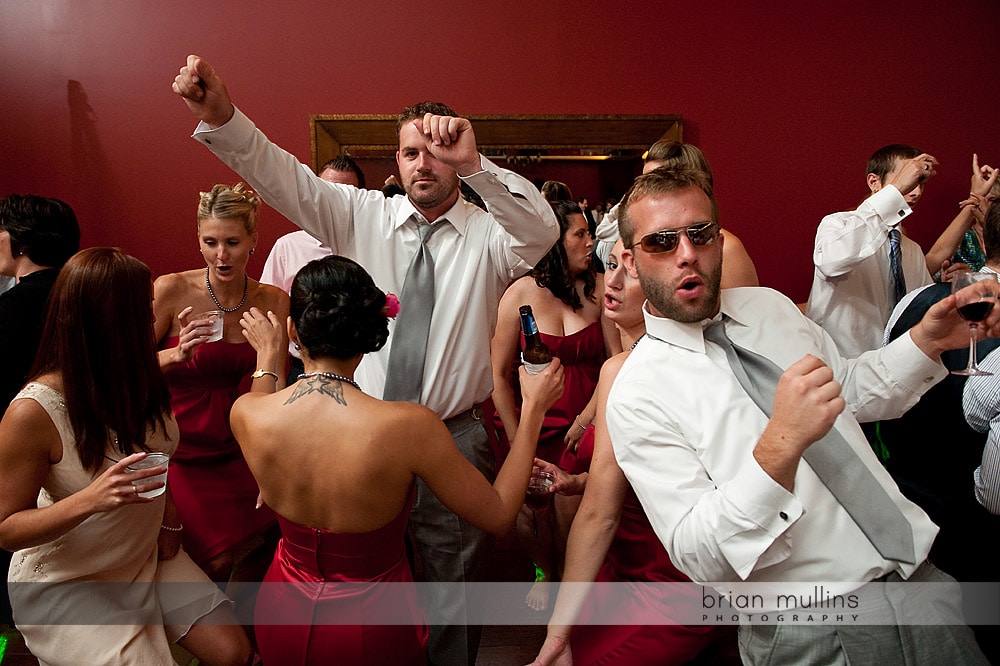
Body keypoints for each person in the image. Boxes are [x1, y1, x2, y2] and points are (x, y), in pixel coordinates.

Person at [172, 54, 558, 665]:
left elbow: (542, 232)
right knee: (369, 589)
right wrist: (222, 116)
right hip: (358, 428)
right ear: (395, 162)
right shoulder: (361, 216)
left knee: (452, 589)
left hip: (452, 432)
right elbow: (283, 177)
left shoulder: (492, 235)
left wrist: (476, 164)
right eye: (410, 152)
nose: (423, 162)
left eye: (438, 151)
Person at [607, 165, 990, 664]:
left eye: (700, 234)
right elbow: (700, 555)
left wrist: (927, 341)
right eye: (661, 242)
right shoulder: (637, 393)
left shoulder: (770, 309)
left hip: (922, 583)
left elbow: (847, 390)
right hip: (812, 626)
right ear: (631, 262)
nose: (687, 254)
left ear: (720, 242)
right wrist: (779, 444)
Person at [230, 255, 564, 665]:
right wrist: (532, 410)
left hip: (281, 608)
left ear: (293, 329)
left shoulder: (248, 414)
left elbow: (264, 391)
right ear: (370, 332)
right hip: (371, 623)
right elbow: (497, 514)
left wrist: (269, 356)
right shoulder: (407, 427)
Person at [0, 247, 251, 666]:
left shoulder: (138, 375)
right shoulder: (33, 411)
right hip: (72, 581)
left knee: (233, 653)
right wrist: (92, 498)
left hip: (145, 556)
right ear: (105, 319)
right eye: (142, 304)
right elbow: (6, 528)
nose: (153, 311)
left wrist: (170, 522)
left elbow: (159, 456)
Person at [529, 238, 736, 666]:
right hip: (618, 566)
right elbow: (637, 475)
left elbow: (617, 506)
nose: (614, 281)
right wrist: (579, 481)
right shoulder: (621, 364)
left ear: (663, 291)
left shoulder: (640, 369)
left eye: (634, 273)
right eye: (612, 266)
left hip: (669, 581)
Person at [153, 183, 290, 582]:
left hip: (240, 447)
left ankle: (247, 642)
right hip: (180, 451)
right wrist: (175, 354)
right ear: (198, 240)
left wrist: (272, 461)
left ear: (253, 242)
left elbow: (275, 382)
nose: (221, 254)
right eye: (210, 242)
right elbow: (124, 369)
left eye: (232, 242)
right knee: (209, 560)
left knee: (267, 545)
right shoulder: (172, 289)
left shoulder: (274, 300)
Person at [490, 200, 608, 611]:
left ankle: (576, 586)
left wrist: (586, 418)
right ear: (554, 242)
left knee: (573, 508)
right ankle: (544, 572)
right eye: (581, 234)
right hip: (536, 422)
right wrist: (515, 435)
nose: (591, 242)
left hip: (587, 422)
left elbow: (615, 362)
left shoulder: (599, 286)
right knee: (531, 507)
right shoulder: (520, 293)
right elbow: (497, 374)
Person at [805, 144, 937, 358]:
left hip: (895, 369)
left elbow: (921, 309)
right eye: (909, 180)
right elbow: (832, 262)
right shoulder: (837, 225)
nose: (916, 191)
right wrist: (892, 196)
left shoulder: (912, 250)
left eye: (920, 182)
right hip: (839, 366)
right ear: (874, 182)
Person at [594, 140, 758, 290]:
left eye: (658, 181)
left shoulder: (728, 249)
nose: (648, 190)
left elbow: (744, 319)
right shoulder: (645, 245)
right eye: (645, 181)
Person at [260, 154, 367, 382]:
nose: (336, 203)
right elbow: (270, 316)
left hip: (365, 371)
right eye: (329, 192)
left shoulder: (376, 245)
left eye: (346, 195)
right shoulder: (287, 247)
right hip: (300, 369)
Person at [0, 194, 80, 416]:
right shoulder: (80, 292)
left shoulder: (17, 304)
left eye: (1, 230)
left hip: (19, 428)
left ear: (23, 242)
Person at [922, 153, 998, 275]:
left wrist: (975, 277)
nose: (983, 202)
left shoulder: (995, 238)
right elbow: (929, 268)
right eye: (982, 197)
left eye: (993, 200)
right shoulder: (959, 239)